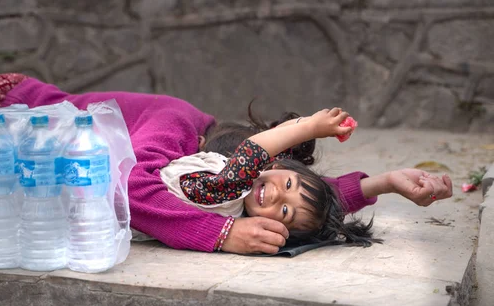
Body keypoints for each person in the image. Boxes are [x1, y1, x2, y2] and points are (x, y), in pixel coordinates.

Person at [0, 74, 453, 255]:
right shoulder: (173, 127)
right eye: (265, 181)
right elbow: (135, 194)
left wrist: (383, 184)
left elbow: (296, 194)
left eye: (277, 213)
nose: (267, 201)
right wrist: (222, 232)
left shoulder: (234, 177)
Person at [161, 106, 379, 251]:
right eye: (288, 184)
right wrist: (313, 123)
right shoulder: (256, 175)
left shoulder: (226, 195)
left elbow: (252, 152)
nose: (275, 195)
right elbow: (274, 140)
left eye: (285, 211)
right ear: (278, 166)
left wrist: (310, 128)